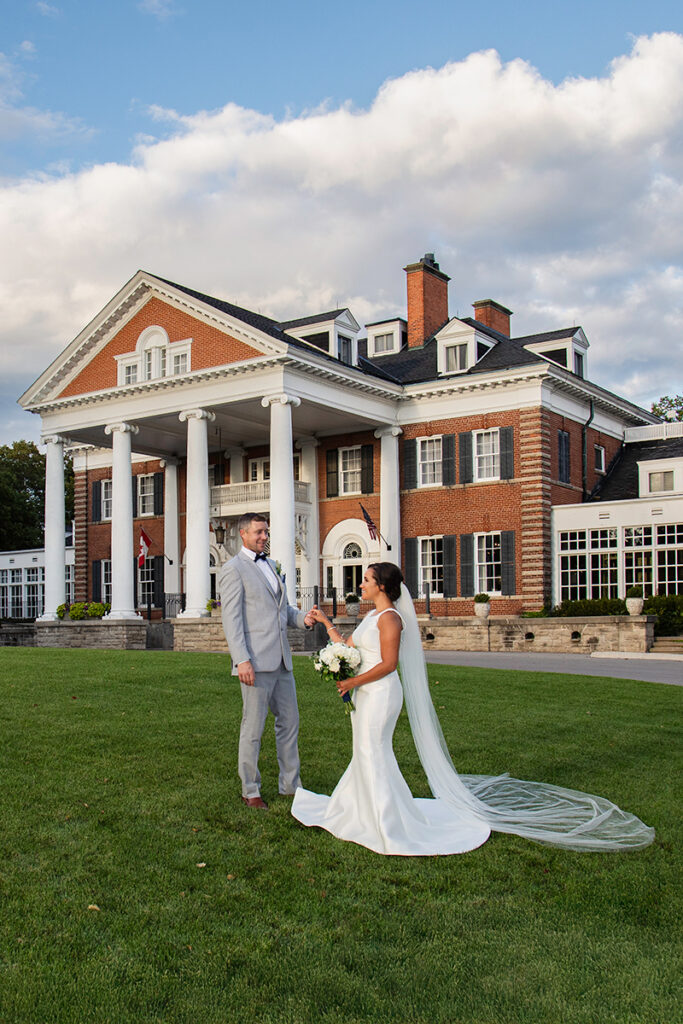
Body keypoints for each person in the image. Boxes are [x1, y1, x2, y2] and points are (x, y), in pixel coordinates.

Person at [292, 562, 655, 856]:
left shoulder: (391, 620)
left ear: (383, 587)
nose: (363, 585)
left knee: (374, 751)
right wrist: (327, 625)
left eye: (368, 580)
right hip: (363, 694)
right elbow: (351, 648)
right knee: (364, 751)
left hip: (380, 692)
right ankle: (359, 811)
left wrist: (351, 682)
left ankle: (386, 823)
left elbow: (388, 664)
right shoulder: (370, 618)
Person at [219, 512, 316, 809]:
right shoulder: (233, 570)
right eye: (259, 532)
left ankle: (290, 785)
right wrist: (242, 660)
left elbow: (282, 610)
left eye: (266, 532)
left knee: (289, 724)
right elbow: (231, 620)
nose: (264, 537)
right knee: (253, 729)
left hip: (283, 662)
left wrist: (304, 619)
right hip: (255, 664)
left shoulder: (271, 566)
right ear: (243, 534)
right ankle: (251, 790)